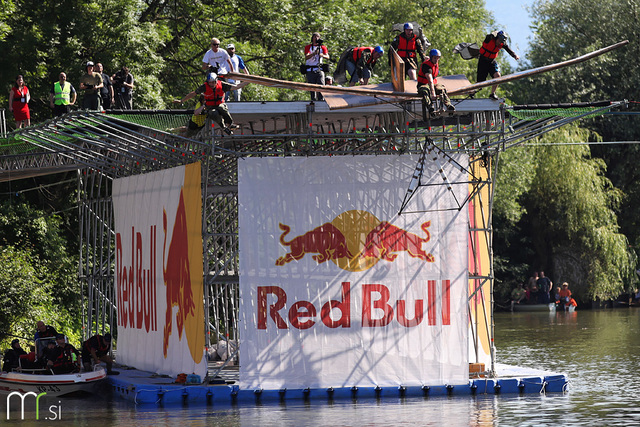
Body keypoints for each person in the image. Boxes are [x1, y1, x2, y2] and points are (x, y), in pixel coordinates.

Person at [174, 72, 239, 135]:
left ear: (216, 81)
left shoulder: (222, 85)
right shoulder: (204, 89)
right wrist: (182, 101)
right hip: (203, 115)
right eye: (210, 83)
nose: (211, 85)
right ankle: (224, 127)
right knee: (213, 113)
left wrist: (248, 80)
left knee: (222, 108)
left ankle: (230, 124)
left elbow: (236, 87)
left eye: (213, 82)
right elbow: (193, 94)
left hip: (218, 105)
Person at [476, 30, 519, 100]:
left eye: (501, 42)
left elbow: (508, 50)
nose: (500, 43)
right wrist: (495, 33)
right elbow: (489, 35)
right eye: (499, 40)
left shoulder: (502, 44)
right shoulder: (489, 39)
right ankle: (471, 92)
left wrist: (514, 56)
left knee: (497, 76)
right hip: (483, 61)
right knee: (480, 83)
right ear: (496, 38)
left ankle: (492, 93)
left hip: (491, 61)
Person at [417, 49, 455, 117]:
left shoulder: (435, 64)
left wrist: (435, 90)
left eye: (438, 58)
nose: (436, 60)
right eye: (435, 58)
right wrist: (433, 93)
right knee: (425, 91)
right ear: (431, 57)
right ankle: (430, 107)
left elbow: (433, 81)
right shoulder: (427, 66)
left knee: (441, 89)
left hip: (433, 84)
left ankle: (448, 105)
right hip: (424, 84)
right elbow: (430, 80)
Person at [303, 32, 330, 101]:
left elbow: (327, 56)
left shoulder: (322, 47)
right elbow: (306, 57)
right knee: (312, 87)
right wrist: (314, 53)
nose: (316, 38)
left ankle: (321, 99)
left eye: (318, 37)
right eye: (315, 37)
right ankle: (313, 100)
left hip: (319, 69)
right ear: (312, 38)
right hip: (310, 69)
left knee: (321, 85)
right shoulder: (308, 47)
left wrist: (322, 55)